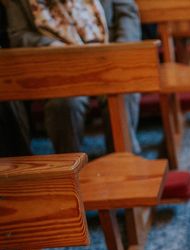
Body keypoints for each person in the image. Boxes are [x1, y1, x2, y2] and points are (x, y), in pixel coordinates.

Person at [4, 0, 142, 154]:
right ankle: (70, 166)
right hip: (58, 64)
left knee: (123, 92)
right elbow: (18, 35)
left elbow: (126, 12)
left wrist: (123, 49)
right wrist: (52, 46)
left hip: (107, 55)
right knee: (64, 104)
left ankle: (125, 157)